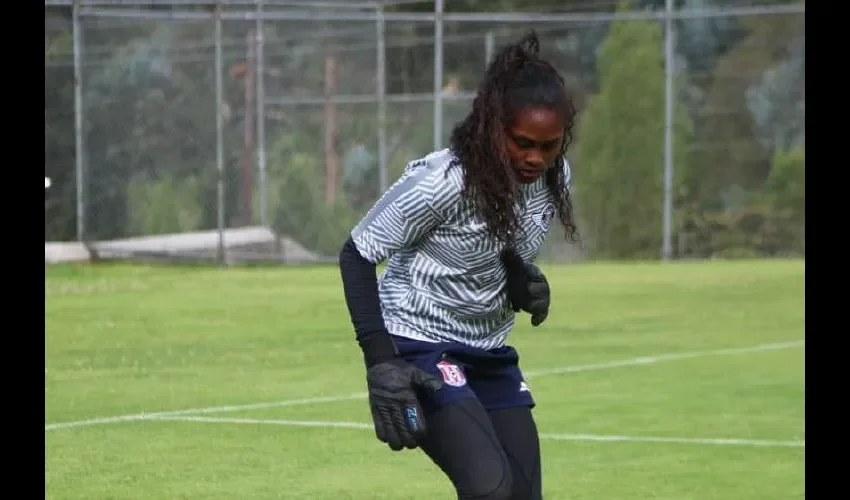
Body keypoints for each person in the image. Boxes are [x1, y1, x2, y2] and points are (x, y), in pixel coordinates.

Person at [338, 30, 579, 500]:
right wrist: (382, 364)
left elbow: (498, 242)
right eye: (522, 142)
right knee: (491, 490)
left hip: (487, 351)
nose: (535, 158)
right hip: (420, 346)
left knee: (524, 495)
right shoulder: (444, 183)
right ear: (494, 127)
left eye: (549, 146)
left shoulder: (552, 178)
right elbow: (357, 253)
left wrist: (519, 280)